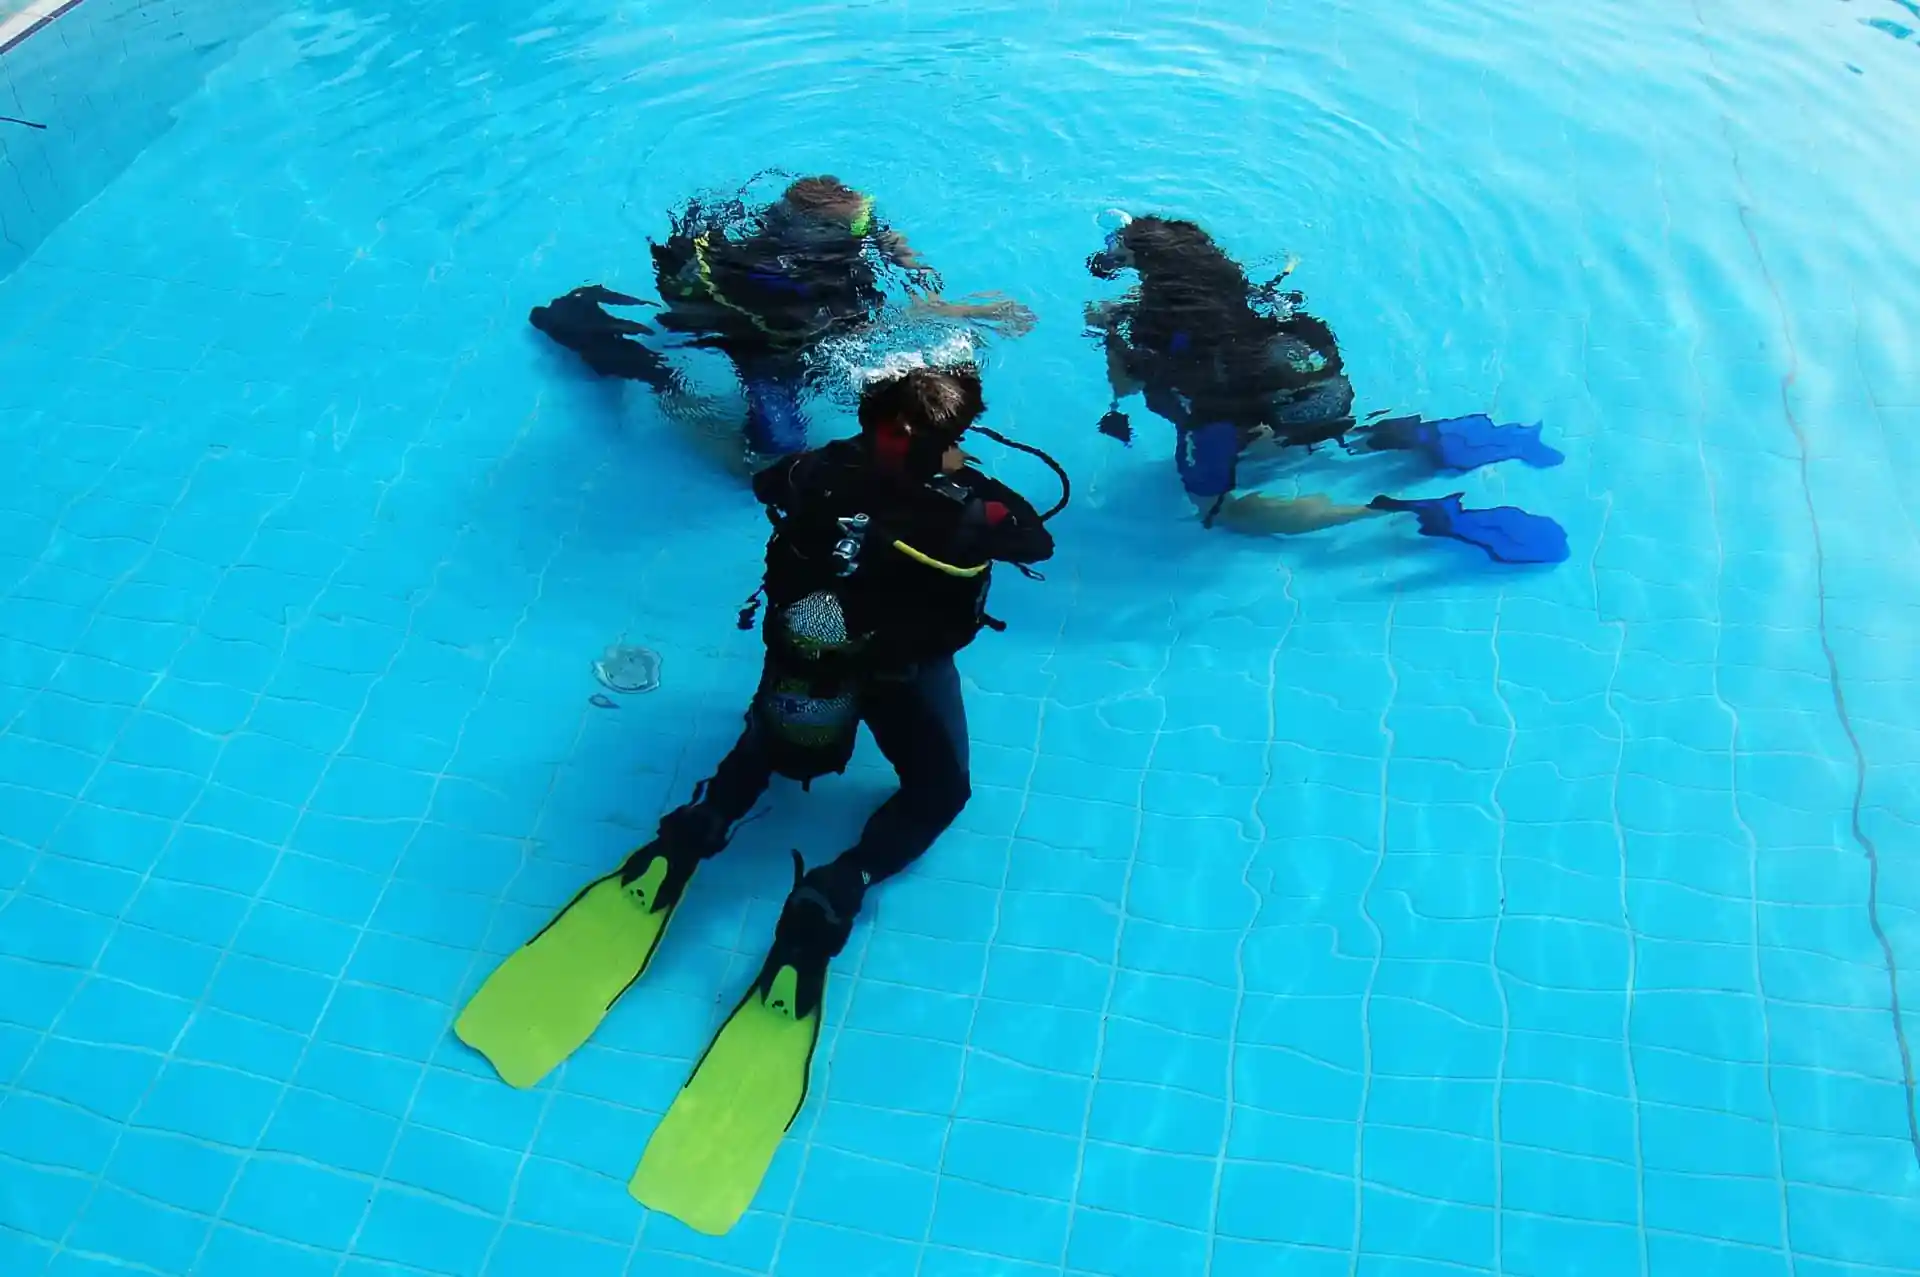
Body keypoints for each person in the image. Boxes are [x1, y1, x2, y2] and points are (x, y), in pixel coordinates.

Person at [455, 364, 1057, 1232]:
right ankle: (836, 888)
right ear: (940, 435)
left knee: (767, 742)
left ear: (871, 418)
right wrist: (959, 474)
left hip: (804, 666)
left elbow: (770, 484)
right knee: (939, 789)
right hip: (898, 678)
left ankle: (700, 825)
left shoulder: (819, 468)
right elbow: (1034, 543)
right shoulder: (974, 504)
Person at [530, 174, 1036, 463]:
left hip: (792, 329)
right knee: (772, 456)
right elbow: (862, 327)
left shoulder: (830, 244)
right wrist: (971, 311)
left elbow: (876, 235)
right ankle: (657, 379)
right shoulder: (786, 283)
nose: (871, 231)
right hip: (764, 350)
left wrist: (896, 248)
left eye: (867, 220)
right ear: (809, 233)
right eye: (860, 226)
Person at [1083, 212, 1383, 535]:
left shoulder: (1151, 325)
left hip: (1237, 406)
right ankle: (1385, 439)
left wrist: (1108, 333)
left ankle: (1371, 511)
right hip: (1311, 383)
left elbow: (1125, 385)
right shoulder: (1231, 284)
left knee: (1215, 510)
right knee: (1276, 421)